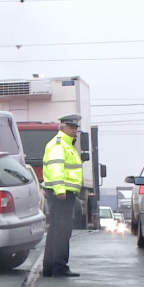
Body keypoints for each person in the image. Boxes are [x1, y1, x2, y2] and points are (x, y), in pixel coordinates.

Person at [41, 114, 83, 278]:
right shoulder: (59, 145)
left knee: (56, 230)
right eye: (71, 128)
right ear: (63, 127)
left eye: (75, 128)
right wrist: (60, 190)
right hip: (62, 194)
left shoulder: (65, 145)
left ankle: (50, 267)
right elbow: (55, 168)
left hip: (63, 193)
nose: (74, 131)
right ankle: (59, 267)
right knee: (62, 231)